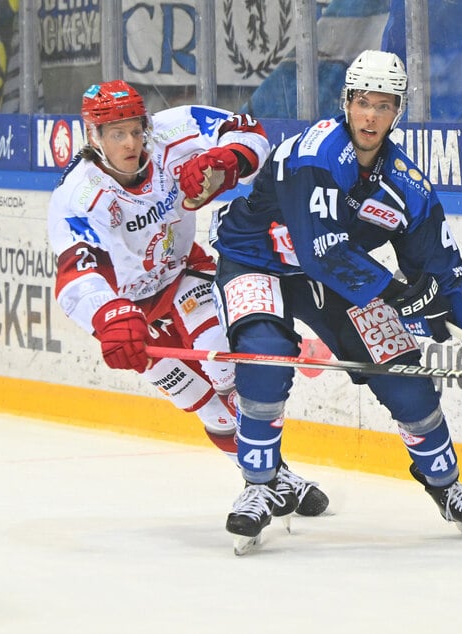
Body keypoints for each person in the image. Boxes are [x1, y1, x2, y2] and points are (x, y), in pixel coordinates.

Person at [210, 50, 462, 542]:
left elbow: (443, 273)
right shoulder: (317, 153)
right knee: (266, 355)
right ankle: (260, 486)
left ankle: (447, 488)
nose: (371, 115)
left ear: (397, 112)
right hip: (257, 261)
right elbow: (322, 251)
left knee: (406, 374)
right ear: (346, 102)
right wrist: (399, 295)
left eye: (384, 105)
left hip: (337, 279)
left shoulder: (407, 185)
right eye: (363, 102)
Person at [46, 80, 329, 521]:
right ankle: (274, 478)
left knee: (226, 367)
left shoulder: (173, 130)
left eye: (135, 129)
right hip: (130, 311)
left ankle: (263, 475)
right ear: (93, 136)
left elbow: (249, 131)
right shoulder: (78, 195)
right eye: (116, 133)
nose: (132, 143)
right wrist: (108, 315)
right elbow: (76, 274)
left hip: (182, 274)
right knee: (203, 402)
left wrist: (225, 160)